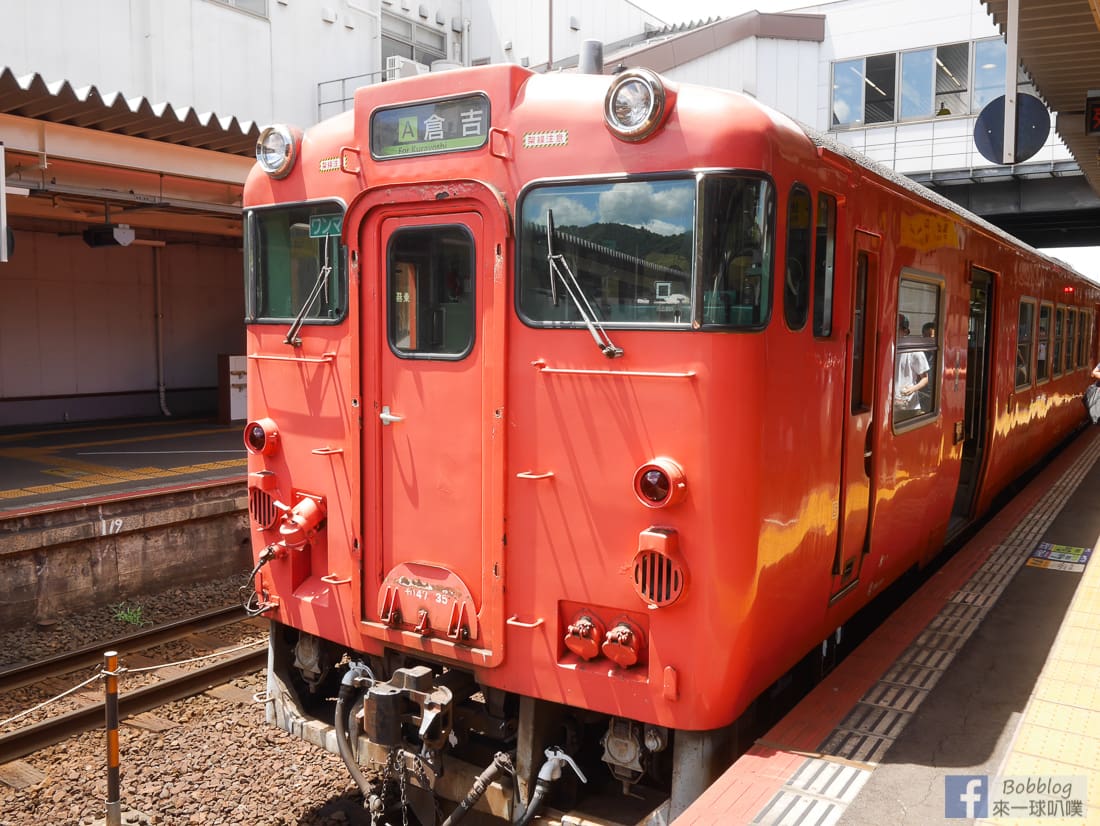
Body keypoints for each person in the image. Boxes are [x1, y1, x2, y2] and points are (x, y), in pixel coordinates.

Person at [895, 314, 930, 420]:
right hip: (890, 405)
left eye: (897, 329)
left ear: (905, 331)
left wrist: (912, 389)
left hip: (909, 406)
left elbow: (925, 378)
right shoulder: (888, 348)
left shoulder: (914, 351)